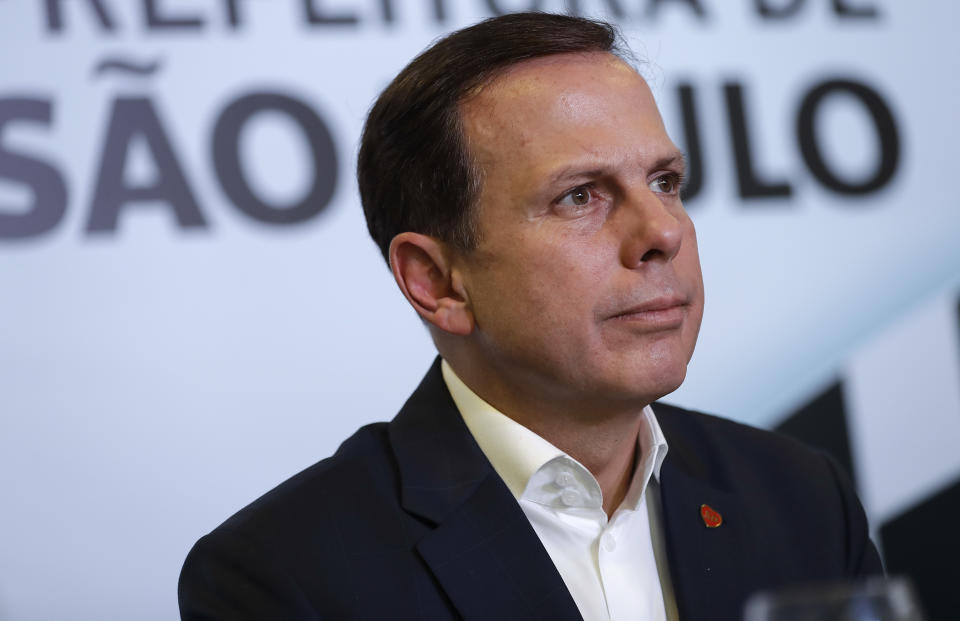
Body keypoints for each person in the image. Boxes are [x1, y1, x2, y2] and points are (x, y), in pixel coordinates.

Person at [179, 12, 882, 620]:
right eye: (580, 196)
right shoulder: (287, 574)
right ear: (437, 282)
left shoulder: (800, 497)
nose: (662, 232)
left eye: (664, 181)